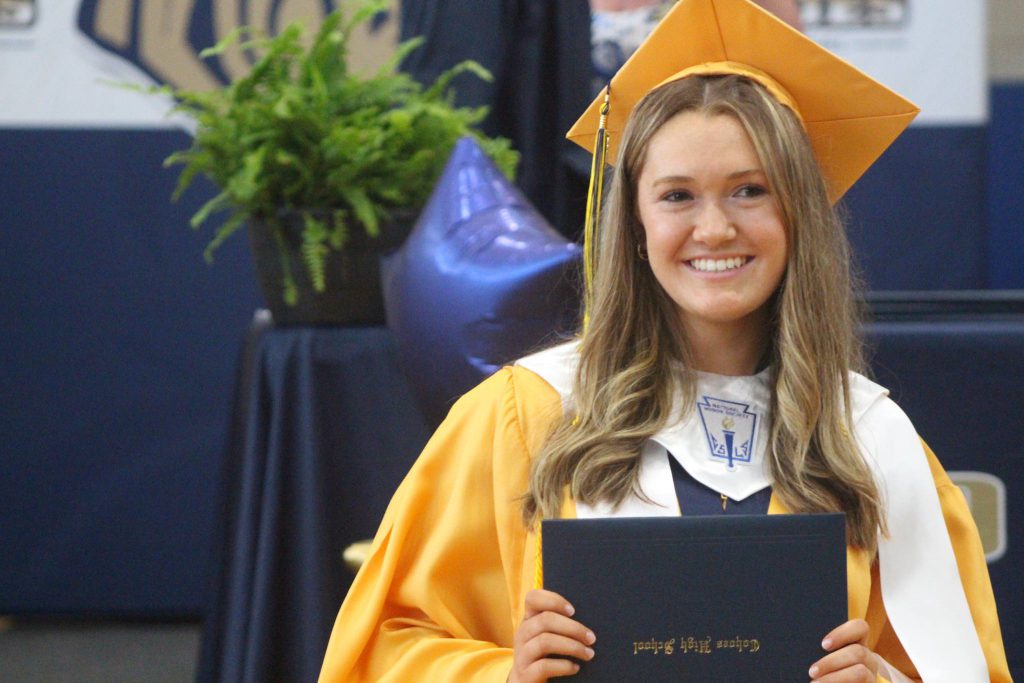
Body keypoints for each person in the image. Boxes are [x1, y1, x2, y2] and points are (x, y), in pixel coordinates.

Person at [319, 0, 1011, 681]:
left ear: (800, 210)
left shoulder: (872, 440)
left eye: (750, 190)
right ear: (635, 223)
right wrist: (505, 674)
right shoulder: (524, 417)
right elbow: (383, 646)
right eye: (677, 196)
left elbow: (957, 665)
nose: (714, 229)